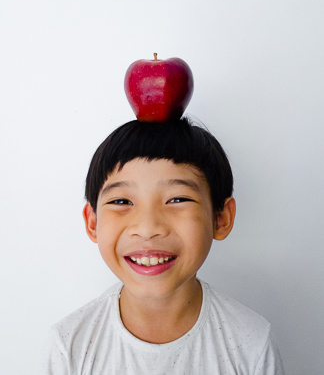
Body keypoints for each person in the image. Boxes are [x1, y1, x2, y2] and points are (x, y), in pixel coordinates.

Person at [40, 118, 285, 374]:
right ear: (93, 223)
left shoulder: (252, 343)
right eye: (122, 201)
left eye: (178, 199)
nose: (147, 228)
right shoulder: (68, 345)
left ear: (221, 218)